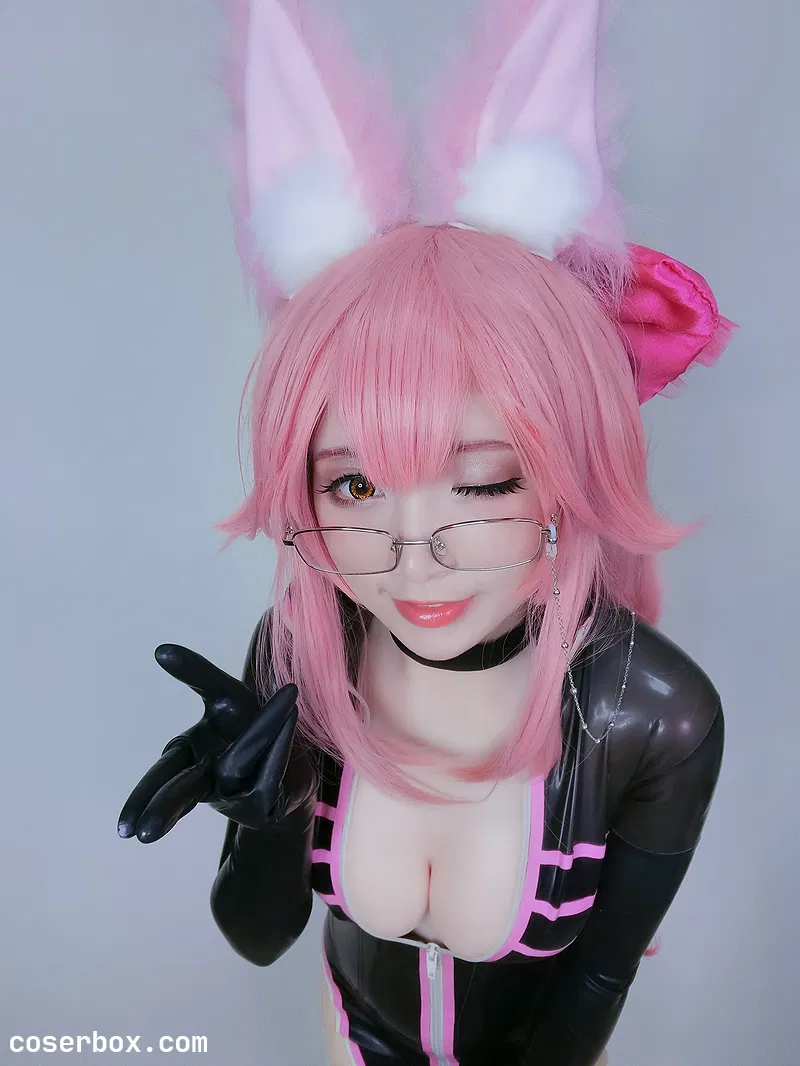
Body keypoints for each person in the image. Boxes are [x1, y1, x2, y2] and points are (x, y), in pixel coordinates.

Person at [118, 3, 735, 1064]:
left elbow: (593, 981)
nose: (411, 554)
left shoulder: (653, 716)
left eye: (481, 483)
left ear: (567, 476)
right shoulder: (302, 653)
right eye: (354, 485)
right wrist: (266, 819)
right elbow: (258, 935)